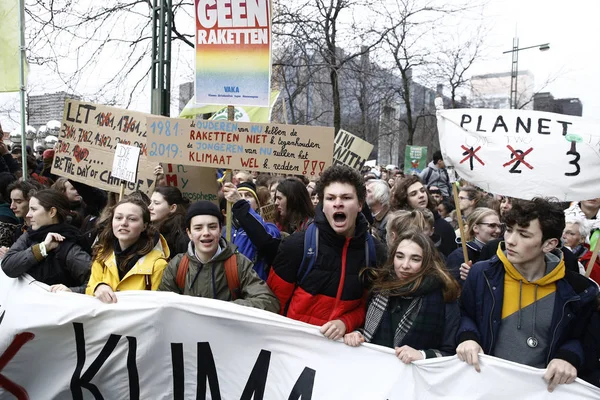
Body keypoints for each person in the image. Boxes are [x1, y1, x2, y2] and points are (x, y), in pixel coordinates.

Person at [456, 197, 599, 393]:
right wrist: (468, 337)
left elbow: (582, 338)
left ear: (549, 244)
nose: (510, 240)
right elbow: (466, 315)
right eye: (509, 229)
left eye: (523, 234)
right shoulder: (482, 275)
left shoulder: (578, 290)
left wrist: (568, 356)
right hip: (485, 387)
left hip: (542, 392)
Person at [268, 165, 386, 341]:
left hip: (338, 356)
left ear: (360, 204)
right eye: (331, 198)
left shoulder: (375, 252)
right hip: (293, 347)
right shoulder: (296, 246)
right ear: (323, 206)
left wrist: (345, 322)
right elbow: (273, 305)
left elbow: (372, 307)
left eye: (346, 197)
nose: (338, 203)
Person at [343, 230, 461, 362]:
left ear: (428, 262)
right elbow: (369, 329)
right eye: (400, 256)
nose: (405, 265)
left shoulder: (444, 296)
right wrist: (358, 334)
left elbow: (450, 353)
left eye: (415, 259)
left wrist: (422, 355)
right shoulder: (380, 289)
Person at [158, 201, 279, 312]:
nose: (206, 233)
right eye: (198, 228)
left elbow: (268, 301)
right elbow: (161, 304)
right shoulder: (177, 265)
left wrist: (224, 310)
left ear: (220, 230)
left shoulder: (238, 264)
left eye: (212, 227)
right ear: (189, 233)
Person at [2, 189, 91, 292]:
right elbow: (8, 266)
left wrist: (72, 291)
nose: (28, 215)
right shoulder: (29, 235)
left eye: (33, 209)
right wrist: (42, 248)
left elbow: (96, 282)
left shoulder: (68, 247)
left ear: (52, 212)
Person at [86, 197, 169, 302]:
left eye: (132, 219)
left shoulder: (158, 265)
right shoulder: (102, 254)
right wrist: (98, 287)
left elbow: (159, 306)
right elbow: (89, 289)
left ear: (144, 226)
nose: (124, 223)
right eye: (118, 218)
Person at [222, 181, 281, 280]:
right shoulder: (224, 230)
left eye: (248, 195)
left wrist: (240, 203)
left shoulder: (270, 228)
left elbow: (265, 241)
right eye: (239, 195)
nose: (243, 198)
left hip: (255, 287)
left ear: (257, 204)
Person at [391, 175, 456, 257]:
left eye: (422, 191)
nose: (421, 195)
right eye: (413, 194)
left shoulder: (444, 227)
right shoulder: (399, 225)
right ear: (405, 200)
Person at [446, 208, 502, 282]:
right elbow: (453, 288)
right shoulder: (460, 256)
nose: (498, 230)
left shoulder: (502, 252)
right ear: (476, 228)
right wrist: (470, 279)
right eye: (492, 225)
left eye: (499, 226)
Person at [148, 186, 190, 256]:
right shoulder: (152, 230)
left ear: (172, 208)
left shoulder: (182, 238)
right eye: (150, 202)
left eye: (156, 203)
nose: (149, 207)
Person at [563, 216, 599, 283]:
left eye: (571, 233)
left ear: (582, 239)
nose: (563, 236)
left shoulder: (590, 264)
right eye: (563, 231)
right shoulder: (554, 255)